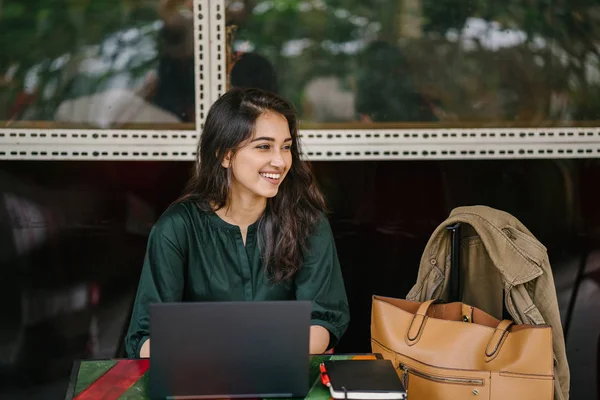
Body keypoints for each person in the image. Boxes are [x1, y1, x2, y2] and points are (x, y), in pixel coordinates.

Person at [125, 88, 350, 358]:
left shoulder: (308, 222)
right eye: (264, 146)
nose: (280, 161)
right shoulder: (176, 228)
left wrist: (259, 358)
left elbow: (323, 319)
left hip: (286, 373)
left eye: (286, 147)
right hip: (200, 379)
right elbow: (146, 336)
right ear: (225, 154)